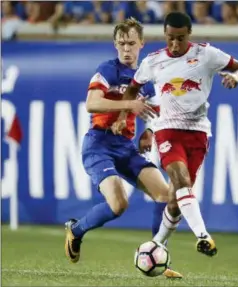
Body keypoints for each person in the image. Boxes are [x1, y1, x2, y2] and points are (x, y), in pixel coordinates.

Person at [112, 11, 238, 256]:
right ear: (164, 35)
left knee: (176, 200)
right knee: (180, 180)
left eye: (180, 38)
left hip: (198, 132)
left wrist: (235, 76)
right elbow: (133, 89)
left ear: (189, 34)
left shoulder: (207, 54)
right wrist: (124, 115)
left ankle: (157, 243)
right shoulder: (153, 61)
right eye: (170, 39)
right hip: (167, 130)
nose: (175, 45)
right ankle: (203, 235)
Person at [64, 17, 183, 279]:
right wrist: (128, 106)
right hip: (98, 145)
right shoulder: (108, 70)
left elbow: (156, 114)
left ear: (142, 43)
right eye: (121, 44)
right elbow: (92, 103)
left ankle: (159, 253)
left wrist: (148, 134)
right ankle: (76, 230)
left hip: (125, 148)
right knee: (118, 205)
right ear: (115, 45)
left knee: (165, 196)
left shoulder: (147, 80)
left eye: (131, 43)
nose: (126, 49)